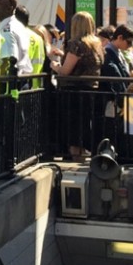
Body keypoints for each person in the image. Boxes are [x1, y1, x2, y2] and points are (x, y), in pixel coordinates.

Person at [55, 10, 104, 157]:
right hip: (91, 89)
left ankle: (75, 154)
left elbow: (65, 71)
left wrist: (54, 65)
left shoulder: (76, 44)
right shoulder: (97, 44)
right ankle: (83, 153)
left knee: (73, 126)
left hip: (74, 90)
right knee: (84, 124)